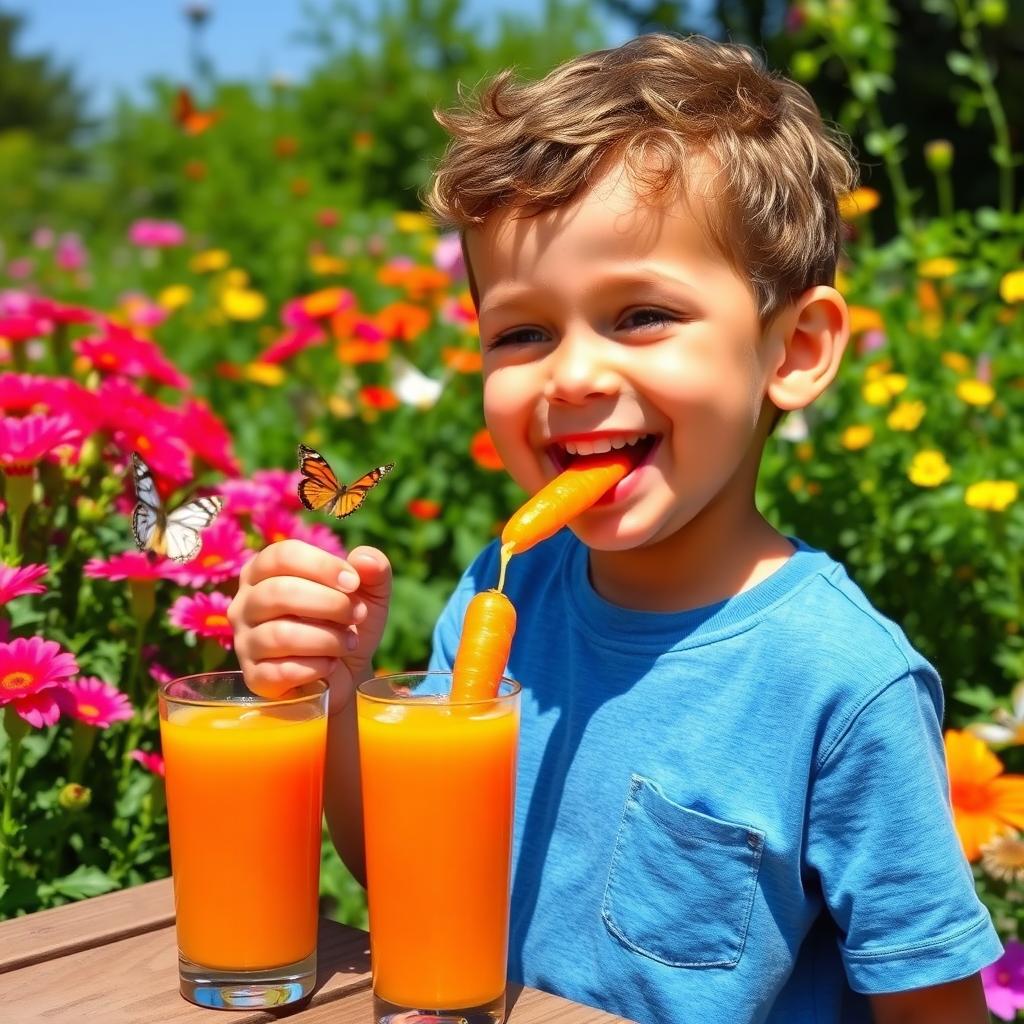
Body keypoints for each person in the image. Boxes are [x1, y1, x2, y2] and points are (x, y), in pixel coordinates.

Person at [228, 33, 1001, 1024]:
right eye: (521, 332)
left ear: (793, 351)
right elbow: (400, 866)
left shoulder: (838, 684)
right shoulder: (500, 594)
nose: (574, 375)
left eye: (639, 315)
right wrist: (333, 691)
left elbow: (935, 1011)